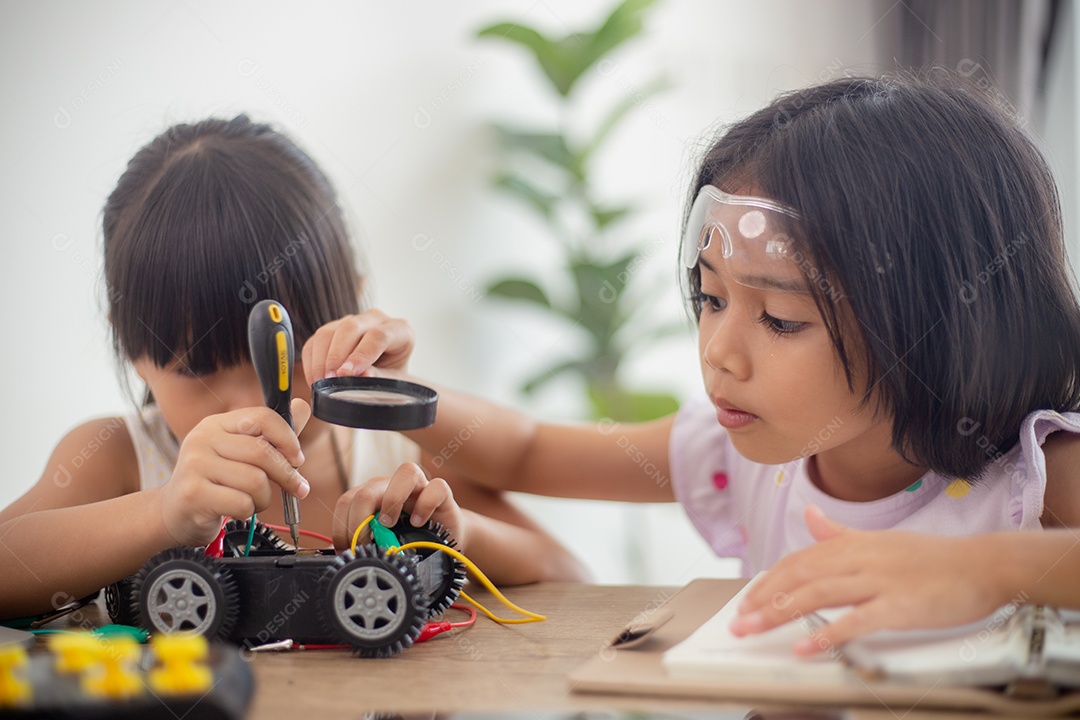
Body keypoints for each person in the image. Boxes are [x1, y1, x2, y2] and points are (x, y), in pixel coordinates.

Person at [315, 72, 1080, 648]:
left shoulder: (1035, 475)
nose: (718, 351)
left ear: (943, 319)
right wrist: (384, 389)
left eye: (779, 319)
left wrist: (990, 569)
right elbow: (526, 450)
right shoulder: (744, 456)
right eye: (711, 300)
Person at [0, 115, 586, 619]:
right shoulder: (121, 458)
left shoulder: (401, 457)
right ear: (130, 348)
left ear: (354, 312)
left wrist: (453, 541)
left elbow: (573, 582)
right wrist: (164, 511)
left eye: (283, 357)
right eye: (193, 367)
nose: (250, 404)